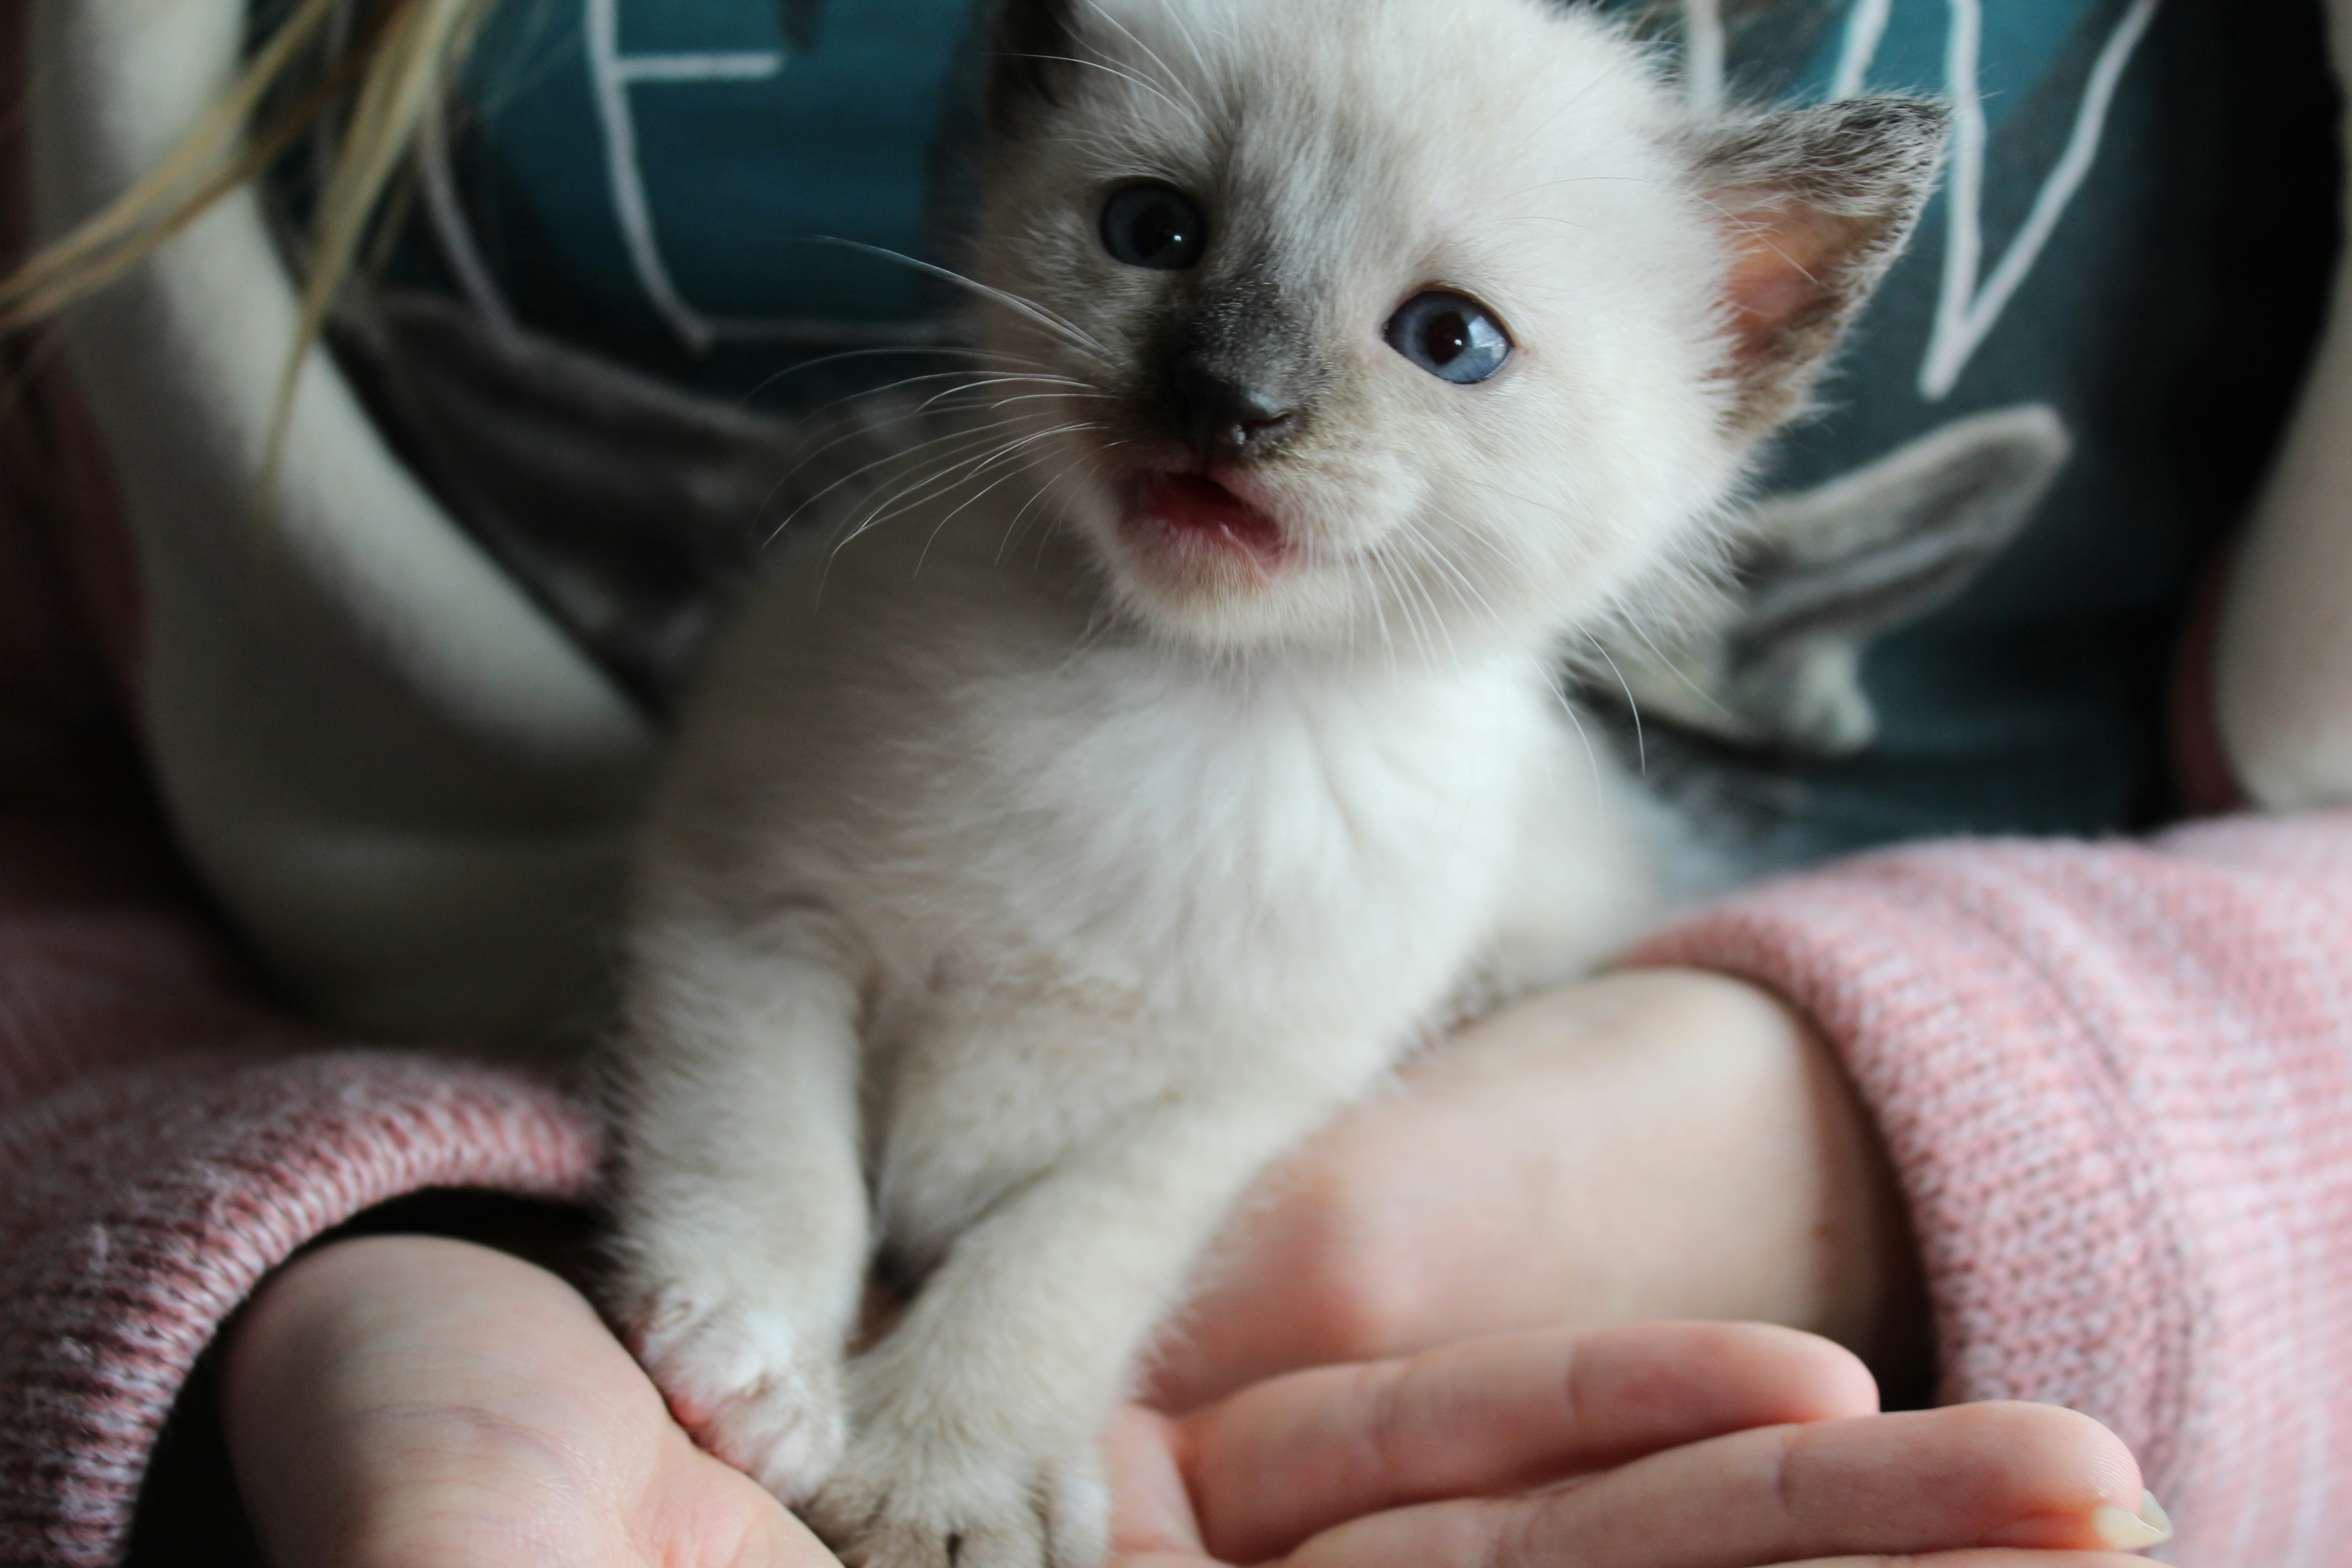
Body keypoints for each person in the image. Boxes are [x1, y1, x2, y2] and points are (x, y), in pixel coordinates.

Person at [3, 0, 2348, 1564]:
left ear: (1740, 336)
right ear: (1025, 102)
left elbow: (1219, 1118)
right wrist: (300, 1260)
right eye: (1154, 229)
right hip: (450, 1170)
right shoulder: (897, 631)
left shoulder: (1458, 818)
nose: (1229, 383)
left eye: (1442, 341)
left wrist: (1863, 1136)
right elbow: (753, 902)